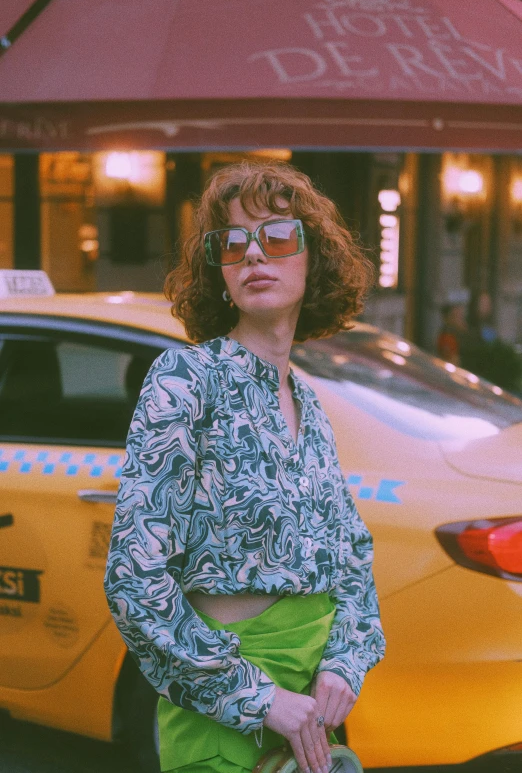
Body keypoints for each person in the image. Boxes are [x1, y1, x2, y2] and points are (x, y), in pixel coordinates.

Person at [104, 161, 386, 773]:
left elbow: (351, 557)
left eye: (277, 236)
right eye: (232, 244)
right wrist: (254, 697)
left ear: (315, 258)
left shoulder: (307, 400)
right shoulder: (187, 379)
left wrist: (344, 660)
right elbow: (133, 578)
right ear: (219, 272)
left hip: (313, 713)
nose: (254, 255)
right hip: (231, 706)